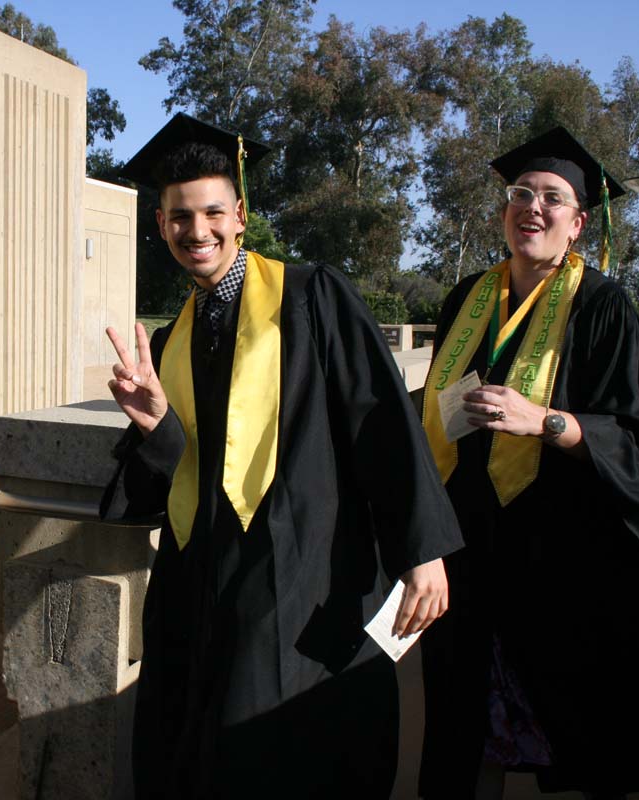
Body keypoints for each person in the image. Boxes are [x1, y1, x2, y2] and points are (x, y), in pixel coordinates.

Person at [99, 113, 464, 799]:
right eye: (180, 217)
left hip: (302, 574)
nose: (196, 231)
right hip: (201, 587)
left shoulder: (311, 296)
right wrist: (154, 423)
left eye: (212, 212)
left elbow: (380, 421)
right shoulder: (178, 331)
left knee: (289, 754)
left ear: (240, 215)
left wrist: (423, 550)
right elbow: (175, 475)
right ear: (160, 224)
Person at [419, 126, 639, 798]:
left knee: (571, 738)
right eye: (520, 194)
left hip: (564, 566)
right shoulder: (468, 301)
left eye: (552, 197)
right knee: (466, 724)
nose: (532, 208)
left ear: (578, 224)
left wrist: (544, 422)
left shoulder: (601, 306)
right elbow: (436, 409)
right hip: (473, 554)